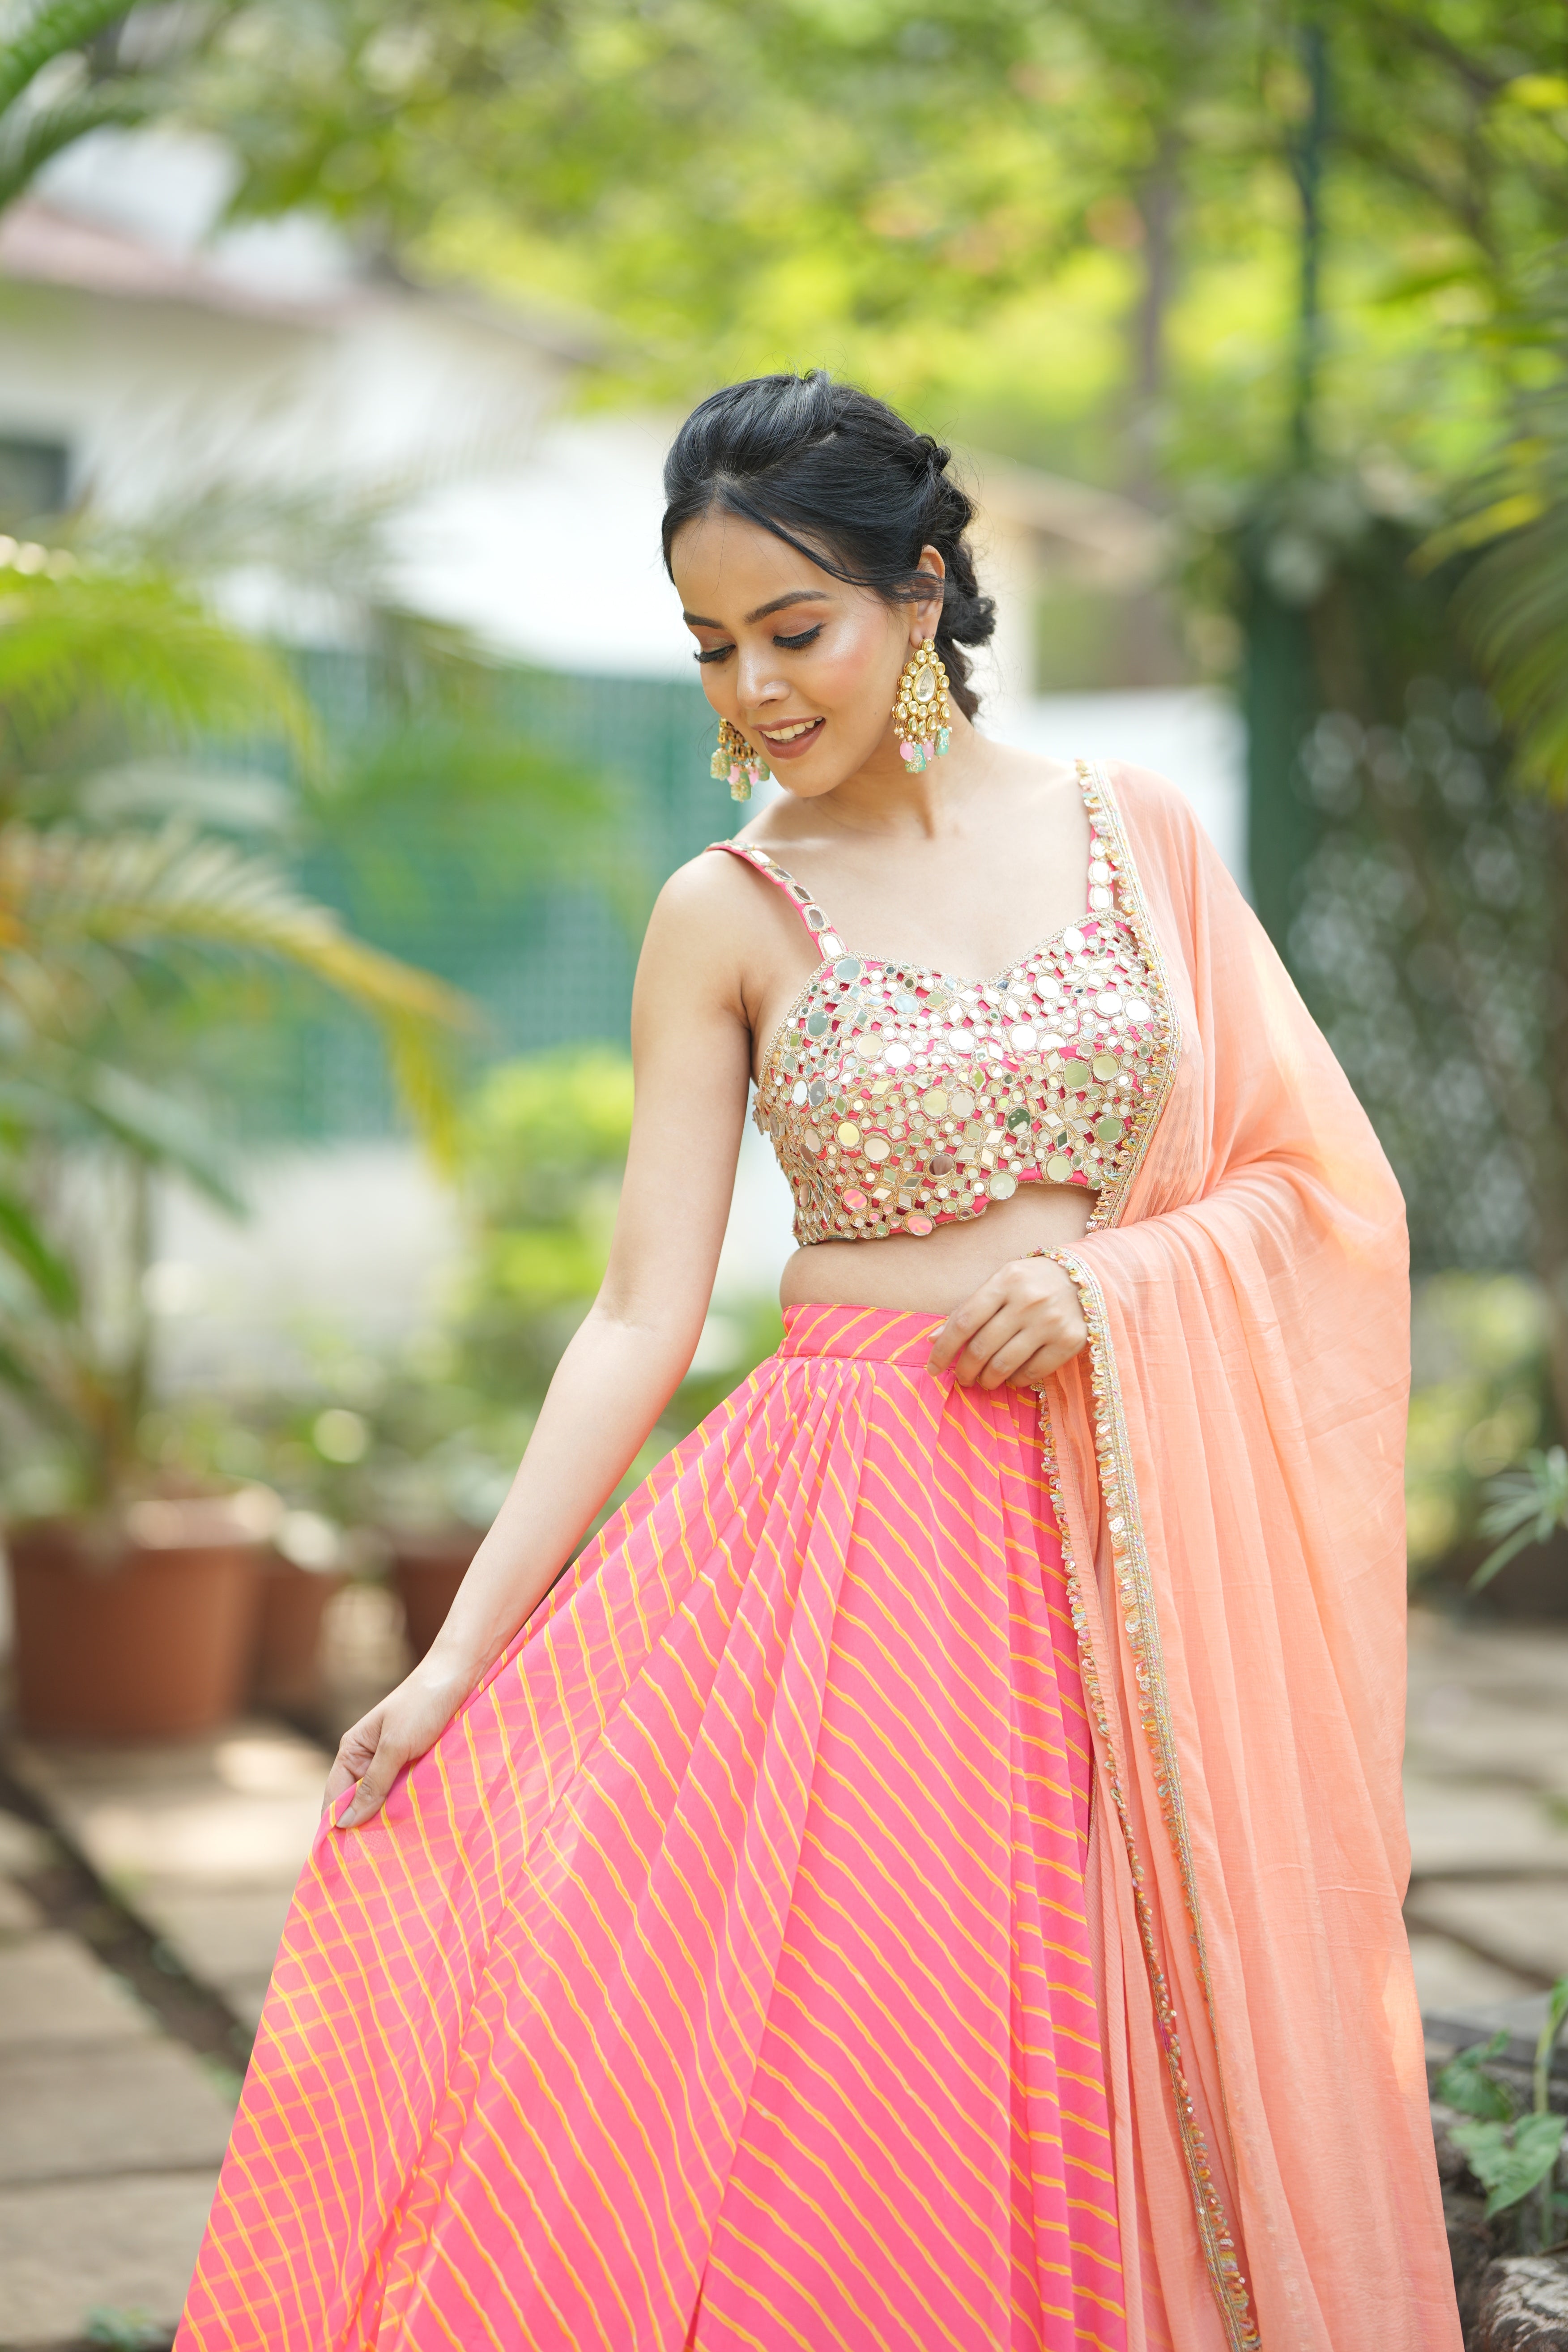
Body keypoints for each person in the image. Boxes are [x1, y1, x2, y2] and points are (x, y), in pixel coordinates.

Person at [177, 373, 1459, 2352]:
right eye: (711, 646)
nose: (754, 690)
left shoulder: (1145, 837)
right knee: (868, 2049)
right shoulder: (727, 909)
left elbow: (1324, 1185)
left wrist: (1130, 1285)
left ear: (925, 587)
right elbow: (638, 1314)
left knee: (1133, 2012)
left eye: (798, 630)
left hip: (1131, 1521)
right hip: (854, 1545)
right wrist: (452, 1659)